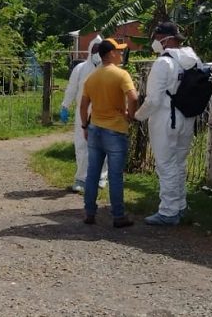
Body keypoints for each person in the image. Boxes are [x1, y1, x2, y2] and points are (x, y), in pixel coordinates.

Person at [135, 22, 202, 226]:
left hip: (166, 119)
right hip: (187, 118)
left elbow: (153, 99)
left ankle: (168, 211)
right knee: (179, 164)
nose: (154, 41)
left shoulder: (164, 63)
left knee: (165, 166)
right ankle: (180, 206)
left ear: (165, 38)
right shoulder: (192, 59)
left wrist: (137, 116)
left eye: (156, 37)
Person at [80, 38, 138, 228]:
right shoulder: (121, 75)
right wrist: (131, 114)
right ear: (111, 53)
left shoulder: (92, 77)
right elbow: (133, 97)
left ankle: (89, 212)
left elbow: (83, 106)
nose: (121, 54)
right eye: (119, 51)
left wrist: (84, 126)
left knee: (93, 173)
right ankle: (118, 216)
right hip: (115, 130)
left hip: (95, 129)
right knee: (115, 175)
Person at [60, 35, 108, 193]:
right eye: (94, 49)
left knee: (102, 146)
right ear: (90, 50)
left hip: (104, 114)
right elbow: (72, 88)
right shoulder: (80, 69)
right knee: (81, 145)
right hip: (82, 114)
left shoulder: (109, 69)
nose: (97, 52)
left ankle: (101, 176)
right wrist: (65, 106)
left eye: (100, 49)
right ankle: (81, 178)